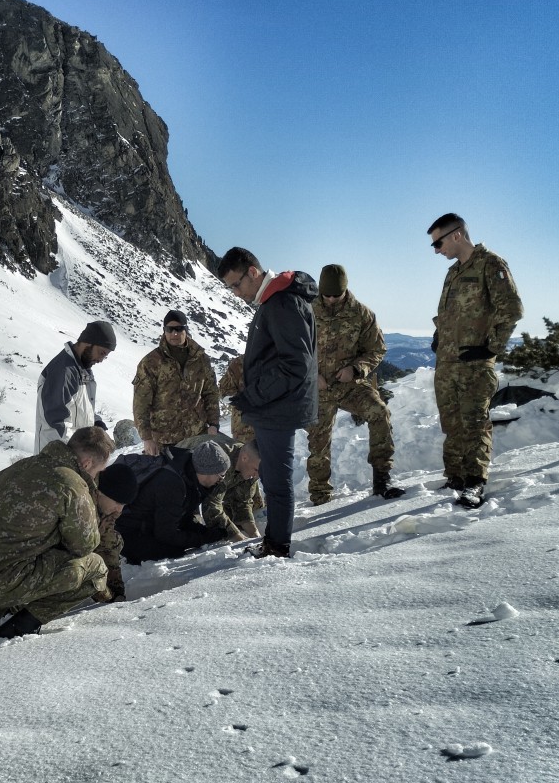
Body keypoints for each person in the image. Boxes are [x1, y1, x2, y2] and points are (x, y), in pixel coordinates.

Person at [0, 426, 127, 639]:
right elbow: (85, 545)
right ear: (87, 463)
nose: (96, 477)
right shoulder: (72, 484)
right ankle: (22, 625)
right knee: (96, 568)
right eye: (98, 471)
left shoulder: (23, 465)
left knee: (18, 545)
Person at [217, 247, 318, 559]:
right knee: (273, 476)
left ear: (252, 272)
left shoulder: (282, 302)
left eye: (236, 284)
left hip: (278, 407)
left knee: (276, 480)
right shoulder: (274, 300)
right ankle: (275, 541)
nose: (236, 293)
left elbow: (295, 364)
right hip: (274, 405)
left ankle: (277, 546)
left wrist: (253, 395)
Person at [427, 213, 523, 509]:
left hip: (474, 365)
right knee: (451, 423)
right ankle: (455, 477)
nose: (437, 250)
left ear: (456, 235)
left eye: (438, 243)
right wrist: (439, 336)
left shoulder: (490, 264)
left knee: (474, 424)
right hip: (447, 364)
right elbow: (448, 314)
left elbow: (512, 309)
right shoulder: (453, 272)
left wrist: (491, 348)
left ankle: (474, 481)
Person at [308, 264, 406, 505]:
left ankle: (382, 479)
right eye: (326, 295)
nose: (331, 300)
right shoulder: (307, 311)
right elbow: (293, 350)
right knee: (318, 443)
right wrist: (311, 374)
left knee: (379, 413)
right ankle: (320, 496)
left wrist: (355, 369)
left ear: (345, 289)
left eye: (336, 295)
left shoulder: (361, 313)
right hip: (317, 388)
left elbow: (377, 349)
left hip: (350, 386)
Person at [115, 440, 235, 563]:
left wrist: (206, 533)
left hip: (148, 527)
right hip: (128, 534)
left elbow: (181, 518)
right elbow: (166, 534)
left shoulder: (187, 476)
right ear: (208, 472)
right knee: (174, 551)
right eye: (221, 476)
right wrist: (203, 539)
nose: (221, 481)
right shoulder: (173, 484)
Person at [132, 310, 220, 456]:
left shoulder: (201, 359)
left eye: (179, 329)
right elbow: (141, 402)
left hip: (196, 435)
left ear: (186, 330)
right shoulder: (151, 362)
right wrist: (147, 438)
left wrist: (213, 424)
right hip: (164, 439)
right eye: (170, 329)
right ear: (164, 331)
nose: (174, 333)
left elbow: (210, 392)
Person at [35, 321, 116, 452]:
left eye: (105, 356)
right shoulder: (63, 371)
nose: (101, 360)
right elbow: (57, 423)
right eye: (101, 353)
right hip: (56, 456)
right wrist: (78, 452)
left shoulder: (82, 369)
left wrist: (95, 425)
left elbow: (79, 407)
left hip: (75, 454)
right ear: (89, 342)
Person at [89, 462, 139, 602]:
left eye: (123, 505)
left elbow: (107, 542)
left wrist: (115, 592)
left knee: (115, 540)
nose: (119, 510)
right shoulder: (81, 502)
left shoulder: (109, 509)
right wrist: (103, 593)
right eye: (117, 502)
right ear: (100, 493)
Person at [197, 437, 264, 541]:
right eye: (256, 470)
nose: (257, 476)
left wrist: (254, 534)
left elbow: (242, 502)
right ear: (244, 458)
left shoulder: (251, 465)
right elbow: (211, 506)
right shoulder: (221, 462)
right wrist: (240, 539)